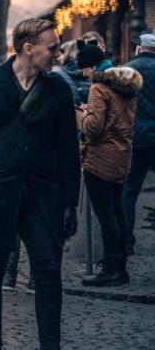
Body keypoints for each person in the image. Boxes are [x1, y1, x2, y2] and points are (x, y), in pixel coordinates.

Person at [0, 18, 80, 350]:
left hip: (43, 194)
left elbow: (68, 149)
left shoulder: (57, 88)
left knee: (48, 270)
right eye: (52, 47)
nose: (57, 54)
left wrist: (71, 202)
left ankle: (50, 345)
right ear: (29, 48)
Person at [76, 44, 141, 286]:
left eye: (84, 68)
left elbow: (93, 128)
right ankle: (120, 265)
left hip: (101, 158)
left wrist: (79, 115)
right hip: (122, 154)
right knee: (116, 211)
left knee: (106, 215)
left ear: (92, 66)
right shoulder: (125, 85)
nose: (83, 73)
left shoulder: (99, 87)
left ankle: (111, 268)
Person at [123, 33, 155, 255]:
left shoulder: (125, 72)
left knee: (128, 192)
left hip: (134, 138)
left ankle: (126, 243)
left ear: (138, 49)